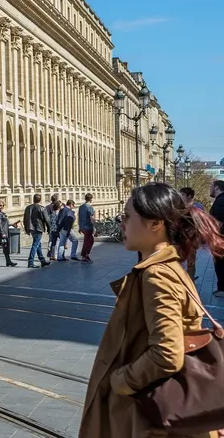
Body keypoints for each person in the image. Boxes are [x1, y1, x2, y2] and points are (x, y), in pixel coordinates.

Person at [79, 182, 224, 438]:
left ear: (155, 223)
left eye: (127, 217)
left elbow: (167, 353)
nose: (122, 224)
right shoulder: (168, 266)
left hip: (151, 416)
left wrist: (120, 380)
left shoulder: (157, 275)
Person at [179, 187, 204, 280]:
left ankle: (190, 280)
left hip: (192, 236)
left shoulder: (198, 207)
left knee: (191, 259)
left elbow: (201, 222)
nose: (180, 197)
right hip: (179, 236)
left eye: (183, 195)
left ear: (189, 196)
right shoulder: (178, 207)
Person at [23, 194, 51, 268]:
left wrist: (26, 228)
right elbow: (47, 219)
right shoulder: (42, 208)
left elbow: (25, 219)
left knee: (38, 244)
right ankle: (30, 262)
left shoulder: (28, 208)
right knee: (35, 245)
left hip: (31, 228)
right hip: (38, 228)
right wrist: (49, 228)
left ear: (33, 199)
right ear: (40, 199)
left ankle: (42, 260)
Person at [210, 179, 224, 294]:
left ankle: (222, 288)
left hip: (220, 239)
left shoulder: (220, 201)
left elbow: (219, 222)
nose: (210, 189)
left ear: (216, 188)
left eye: (211, 186)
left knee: (220, 263)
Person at [77, 193, 96, 263]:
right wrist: (94, 227)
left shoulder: (81, 207)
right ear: (91, 199)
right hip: (88, 227)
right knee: (87, 242)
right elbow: (92, 219)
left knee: (90, 241)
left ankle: (85, 255)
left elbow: (79, 217)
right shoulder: (90, 207)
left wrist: (79, 227)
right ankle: (84, 256)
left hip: (82, 226)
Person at [45, 194, 62, 260]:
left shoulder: (48, 207)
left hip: (51, 227)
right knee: (56, 241)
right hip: (57, 228)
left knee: (51, 240)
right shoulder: (58, 211)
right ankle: (54, 254)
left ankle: (49, 251)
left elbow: (47, 218)